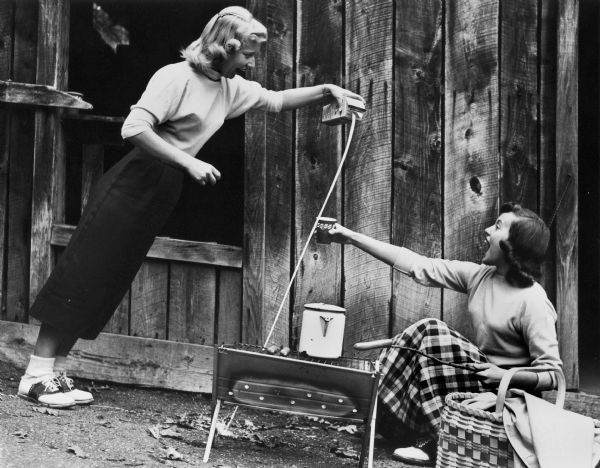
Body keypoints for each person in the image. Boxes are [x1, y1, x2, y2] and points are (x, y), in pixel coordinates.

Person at [17, 6, 364, 409]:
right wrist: (188, 161)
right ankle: (35, 374)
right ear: (224, 48)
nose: (251, 64)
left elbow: (278, 100)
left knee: (107, 279)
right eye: (247, 55)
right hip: (134, 178)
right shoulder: (175, 77)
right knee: (85, 269)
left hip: (162, 186)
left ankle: (55, 372)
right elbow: (134, 129)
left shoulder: (228, 87)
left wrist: (327, 91)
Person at [327, 202, 562, 466]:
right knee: (422, 335)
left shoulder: (534, 302)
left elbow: (553, 376)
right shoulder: (480, 277)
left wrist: (505, 376)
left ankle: (436, 441)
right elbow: (419, 265)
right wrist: (351, 237)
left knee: (432, 331)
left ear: (514, 244)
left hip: (512, 400)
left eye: (497, 226)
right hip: (480, 382)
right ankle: (392, 423)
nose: (486, 230)